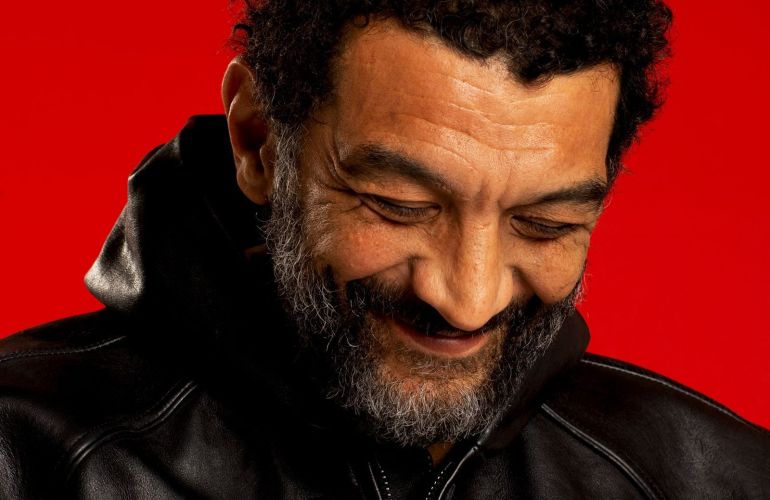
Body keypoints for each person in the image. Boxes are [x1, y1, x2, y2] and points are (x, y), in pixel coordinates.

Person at [1, 0, 768, 498]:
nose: (468, 298)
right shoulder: (22, 456)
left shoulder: (718, 479)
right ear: (259, 143)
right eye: (400, 206)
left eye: (546, 224)